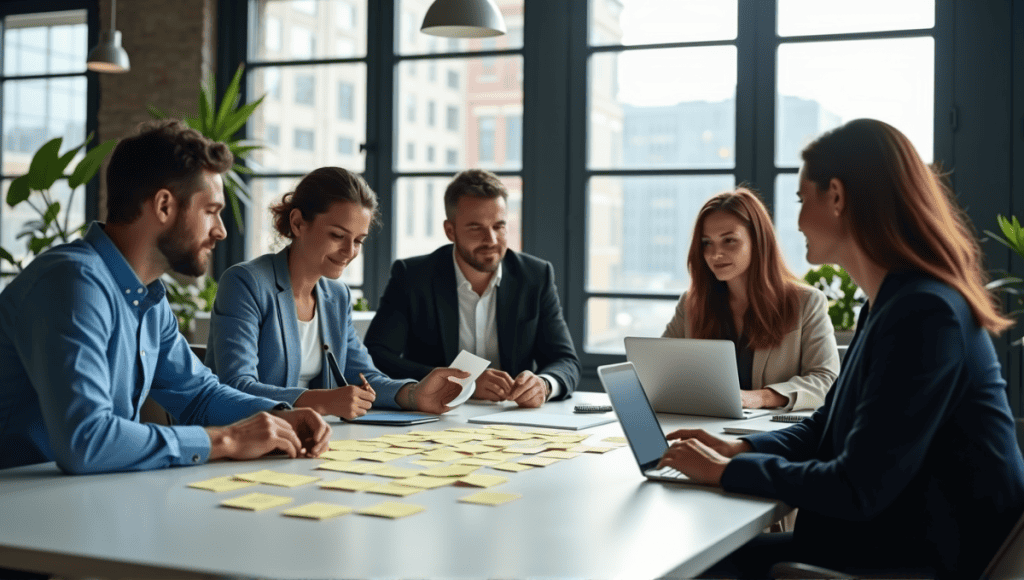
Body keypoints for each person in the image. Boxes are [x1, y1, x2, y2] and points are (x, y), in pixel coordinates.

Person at [658, 119, 1024, 579]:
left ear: (836, 196)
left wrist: (726, 474)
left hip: (912, 561)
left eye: (800, 199)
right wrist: (739, 447)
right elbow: (823, 429)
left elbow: (856, 486)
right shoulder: (892, 303)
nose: (794, 221)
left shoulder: (924, 313)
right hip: (886, 539)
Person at [0, 120, 331, 474]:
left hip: (78, 499)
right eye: (211, 211)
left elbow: (200, 396)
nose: (220, 231)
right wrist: (226, 440)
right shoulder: (72, 283)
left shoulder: (146, 299)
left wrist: (281, 416)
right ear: (163, 206)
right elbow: (87, 440)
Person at [206, 167, 469, 416]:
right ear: (297, 223)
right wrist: (323, 401)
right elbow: (237, 386)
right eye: (337, 235)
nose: (350, 251)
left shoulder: (336, 295)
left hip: (314, 437)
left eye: (358, 241)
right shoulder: (245, 283)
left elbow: (363, 376)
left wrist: (414, 394)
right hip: (249, 438)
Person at [364, 169, 580, 408]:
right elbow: (377, 355)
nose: (491, 240)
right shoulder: (413, 276)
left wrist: (545, 384)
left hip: (512, 418)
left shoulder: (535, 276)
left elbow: (565, 360)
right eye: (476, 228)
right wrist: (464, 382)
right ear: (450, 231)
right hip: (436, 415)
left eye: (499, 226)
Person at [662, 188, 839, 411]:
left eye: (729, 240)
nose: (716, 254)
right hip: (704, 425)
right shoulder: (691, 304)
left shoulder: (806, 302)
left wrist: (760, 398)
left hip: (772, 433)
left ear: (758, 241)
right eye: (707, 243)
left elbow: (826, 380)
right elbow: (660, 373)